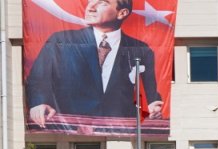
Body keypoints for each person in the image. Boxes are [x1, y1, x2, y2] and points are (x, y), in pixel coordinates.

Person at [26, 0, 164, 128]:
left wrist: (153, 107)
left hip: (120, 128)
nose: (91, 7)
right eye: (90, 0)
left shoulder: (141, 50)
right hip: (72, 126)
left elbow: (150, 92)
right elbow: (38, 78)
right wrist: (38, 102)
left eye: (102, 3)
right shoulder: (61, 41)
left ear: (122, 13)